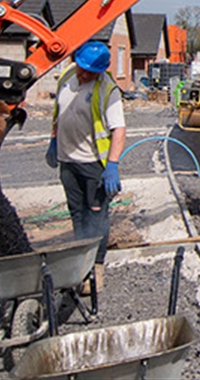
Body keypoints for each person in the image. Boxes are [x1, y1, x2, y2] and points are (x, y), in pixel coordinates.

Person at [45, 41, 125, 293]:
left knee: (96, 216)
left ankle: (96, 270)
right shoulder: (68, 75)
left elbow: (118, 130)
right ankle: (80, 266)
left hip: (93, 165)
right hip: (68, 162)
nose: (83, 74)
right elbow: (59, 111)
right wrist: (54, 141)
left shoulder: (107, 90)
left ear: (100, 71)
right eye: (82, 68)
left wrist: (112, 164)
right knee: (77, 214)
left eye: (90, 71)